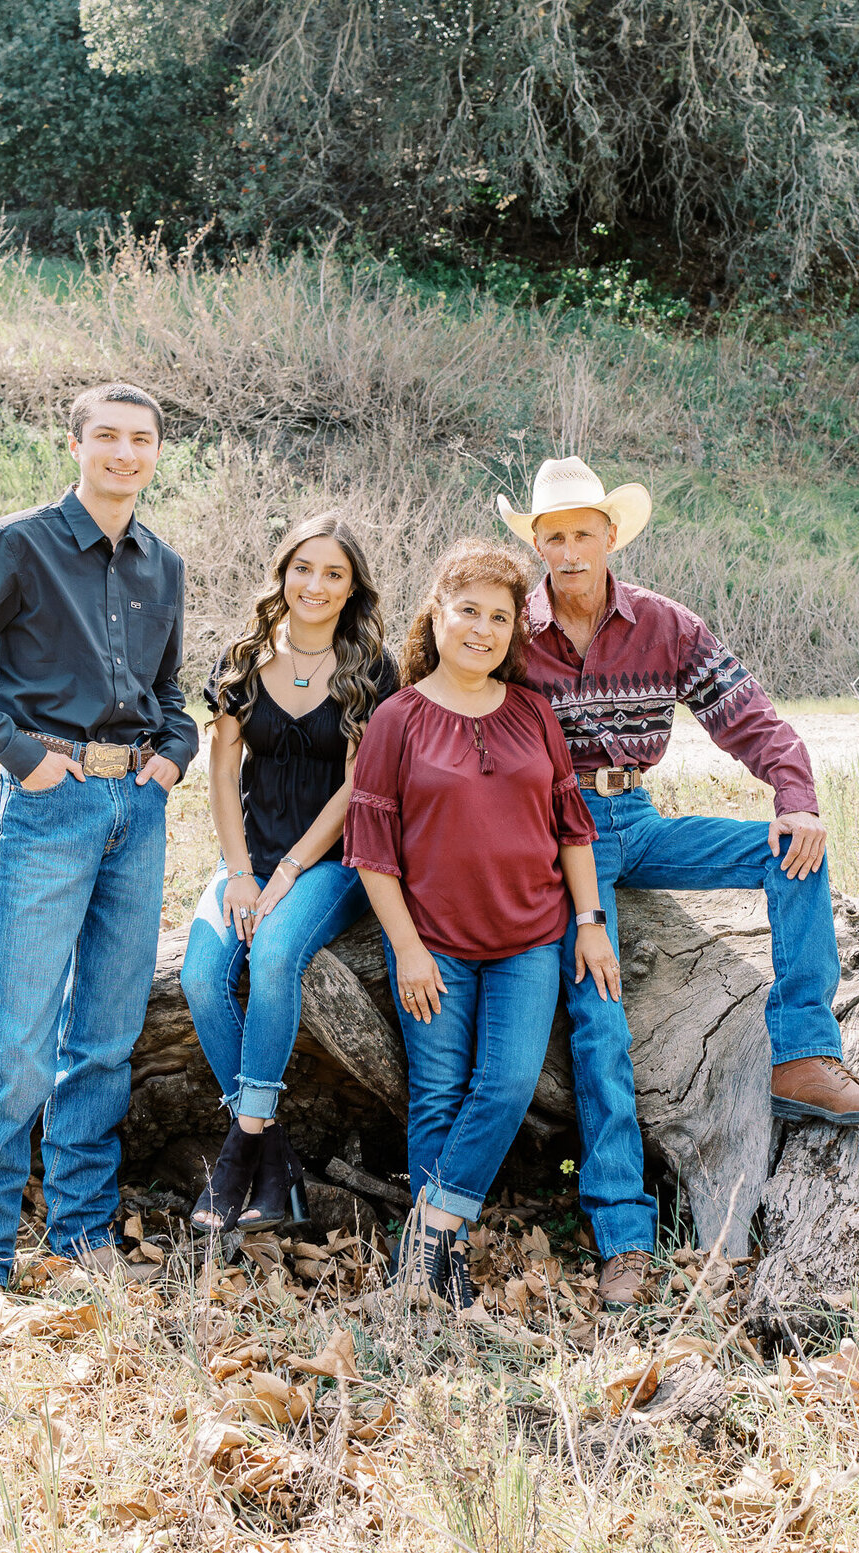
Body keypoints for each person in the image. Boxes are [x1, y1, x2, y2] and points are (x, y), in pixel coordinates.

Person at [497, 456, 859, 1311]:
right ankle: (623, 1232)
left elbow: (751, 718)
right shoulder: (513, 635)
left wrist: (797, 795)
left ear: (611, 536)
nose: (570, 549)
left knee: (792, 847)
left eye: (584, 532)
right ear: (537, 544)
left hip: (638, 820)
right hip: (557, 842)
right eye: (554, 536)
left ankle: (801, 1053)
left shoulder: (666, 626)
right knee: (599, 1020)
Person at [0, 382, 199, 1315]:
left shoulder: (165, 565)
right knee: (22, 1044)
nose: (124, 452)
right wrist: (22, 755)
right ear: (74, 444)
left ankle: (80, 1234)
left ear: (157, 452)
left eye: (140, 439)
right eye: (106, 436)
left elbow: (171, 695)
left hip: (137, 812)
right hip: (50, 805)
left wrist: (175, 757)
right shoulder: (16, 543)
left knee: (106, 1041)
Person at [344, 538, 621, 1305]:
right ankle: (445, 1263)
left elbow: (572, 827)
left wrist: (591, 920)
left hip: (529, 938)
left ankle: (426, 1232)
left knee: (504, 1083)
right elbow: (372, 852)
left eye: (500, 617)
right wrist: (406, 949)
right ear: (437, 613)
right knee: (437, 1093)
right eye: (468, 610)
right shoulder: (396, 720)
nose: (483, 628)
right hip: (433, 945)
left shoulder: (532, 713)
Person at [179, 515, 398, 1233]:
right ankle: (273, 1156)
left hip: (333, 863)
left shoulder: (372, 669)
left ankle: (238, 1154)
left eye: (334, 573)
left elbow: (355, 788)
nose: (316, 584)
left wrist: (290, 871)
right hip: (248, 860)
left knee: (274, 956)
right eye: (304, 567)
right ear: (283, 572)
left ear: (352, 588)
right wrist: (241, 872)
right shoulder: (242, 657)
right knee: (201, 977)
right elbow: (219, 772)